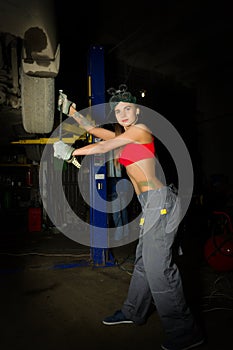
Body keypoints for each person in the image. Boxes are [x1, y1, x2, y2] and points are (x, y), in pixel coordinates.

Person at [54, 85, 205, 350]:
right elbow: (93, 131)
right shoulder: (124, 134)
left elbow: (105, 146)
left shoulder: (141, 130)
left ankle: (186, 332)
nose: (122, 113)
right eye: (117, 110)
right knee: (144, 262)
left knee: (159, 268)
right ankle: (134, 310)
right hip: (148, 204)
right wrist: (71, 110)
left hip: (160, 202)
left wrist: (71, 153)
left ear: (138, 110)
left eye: (127, 108)